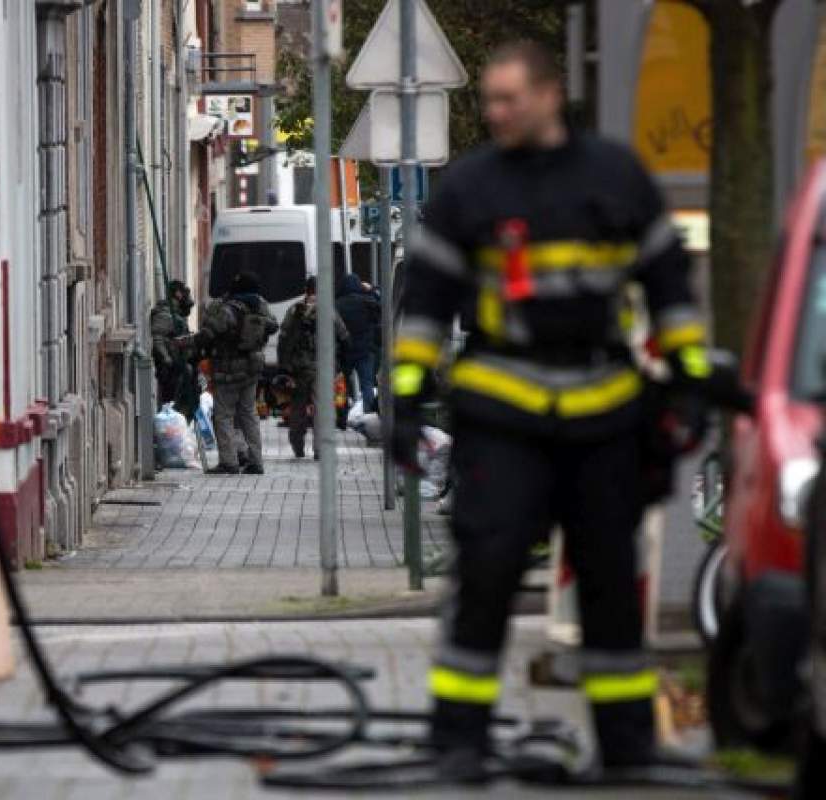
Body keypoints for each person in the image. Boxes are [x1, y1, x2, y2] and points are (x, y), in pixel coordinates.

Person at [388, 41, 714, 780]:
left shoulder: (615, 177)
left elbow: (669, 290)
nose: (496, 113)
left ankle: (628, 749)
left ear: (549, 95)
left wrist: (691, 382)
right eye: (490, 102)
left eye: (509, 99)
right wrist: (405, 399)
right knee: (488, 571)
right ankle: (458, 741)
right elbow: (427, 310)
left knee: (609, 581)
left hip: (604, 410)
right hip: (503, 410)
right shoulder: (469, 190)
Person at [196, 270, 277, 474]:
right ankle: (256, 461)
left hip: (227, 370)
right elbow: (273, 326)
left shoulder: (227, 309)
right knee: (249, 414)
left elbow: (208, 334)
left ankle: (229, 461)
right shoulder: (261, 306)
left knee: (223, 415)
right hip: (252, 368)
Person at [277, 276, 349, 459]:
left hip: (299, 368)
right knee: (322, 408)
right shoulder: (328, 310)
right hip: (324, 367)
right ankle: (320, 449)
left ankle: (297, 446)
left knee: (298, 408)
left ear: (306, 290)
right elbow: (344, 336)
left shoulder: (295, 310)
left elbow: (284, 338)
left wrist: (284, 366)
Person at [151, 279, 198, 419]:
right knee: (172, 407)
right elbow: (158, 339)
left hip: (179, 368)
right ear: (177, 294)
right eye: (185, 293)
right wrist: (168, 360)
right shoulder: (166, 314)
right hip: (171, 371)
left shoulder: (176, 315)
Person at [335, 273, 381, 413]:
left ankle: (341, 415)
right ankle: (368, 413)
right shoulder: (368, 302)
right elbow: (383, 307)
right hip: (365, 351)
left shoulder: (337, 304)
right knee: (367, 385)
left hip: (344, 352)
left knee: (341, 385)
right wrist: (372, 289)